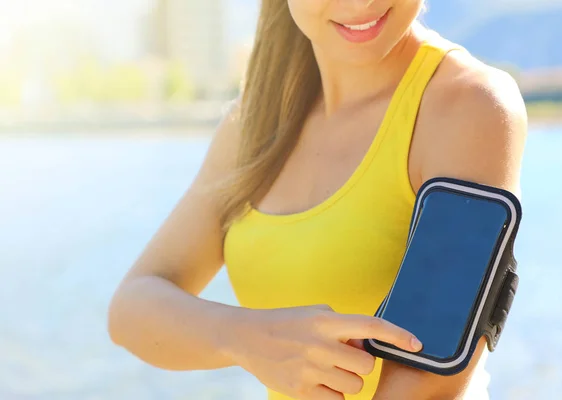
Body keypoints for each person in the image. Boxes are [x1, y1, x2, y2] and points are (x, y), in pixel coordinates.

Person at [108, 0, 527, 399]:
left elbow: (427, 381)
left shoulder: (469, 106)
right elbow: (134, 307)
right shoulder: (253, 125)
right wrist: (248, 338)